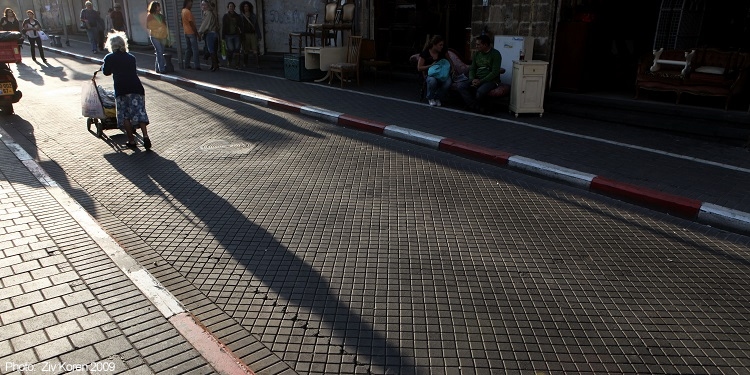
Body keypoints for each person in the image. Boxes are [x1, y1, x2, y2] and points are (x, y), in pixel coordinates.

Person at [101, 31, 152, 149]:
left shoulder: (109, 57)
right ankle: (145, 136)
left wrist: (106, 65)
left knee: (125, 116)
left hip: (121, 89)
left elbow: (106, 72)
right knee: (139, 112)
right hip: (136, 87)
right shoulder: (131, 57)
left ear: (111, 45)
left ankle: (131, 141)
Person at [457, 34, 502, 113]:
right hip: (477, 78)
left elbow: (494, 72)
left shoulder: (495, 54)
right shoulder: (477, 54)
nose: (476, 46)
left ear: (485, 45)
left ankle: (472, 106)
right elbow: (472, 68)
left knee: (480, 92)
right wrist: (472, 79)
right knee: (461, 86)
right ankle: (475, 106)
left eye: (478, 44)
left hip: (490, 80)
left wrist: (480, 81)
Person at [417, 35, 452, 107]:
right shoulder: (425, 53)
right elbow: (419, 68)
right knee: (433, 81)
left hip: (442, 73)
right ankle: (431, 98)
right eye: (440, 45)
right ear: (434, 45)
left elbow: (449, 61)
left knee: (448, 83)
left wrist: (453, 69)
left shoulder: (443, 51)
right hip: (430, 74)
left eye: (442, 45)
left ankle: (437, 97)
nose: (442, 46)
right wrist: (430, 66)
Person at [146, 1, 169, 73]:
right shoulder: (150, 16)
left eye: (159, 6)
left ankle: (157, 68)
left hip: (162, 36)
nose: (159, 7)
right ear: (154, 7)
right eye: (158, 6)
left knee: (160, 52)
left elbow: (165, 25)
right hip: (154, 36)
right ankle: (162, 69)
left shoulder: (161, 16)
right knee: (159, 51)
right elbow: (148, 26)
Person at [198, 0, 219, 71]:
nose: (203, 6)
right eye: (202, 5)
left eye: (204, 5)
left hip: (210, 33)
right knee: (212, 50)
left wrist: (200, 32)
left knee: (211, 50)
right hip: (212, 33)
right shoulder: (209, 13)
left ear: (208, 6)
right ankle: (214, 65)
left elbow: (205, 25)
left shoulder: (208, 13)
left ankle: (215, 65)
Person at [238, 1, 260, 68]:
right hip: (245, 34)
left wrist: (259, 35)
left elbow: (256, 26)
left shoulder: (253, 15)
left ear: (249, 7)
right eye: (244, 6)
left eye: (247, 6)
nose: (246, 8)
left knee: (255, 49)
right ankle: (245, 63)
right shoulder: (241, 16)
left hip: (253, 34)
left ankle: (257, 64)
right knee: (245, 50)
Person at [181, 0, 201, 69]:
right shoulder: (188, 12)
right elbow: (191, 24)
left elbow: (182, 22)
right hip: (191, 32)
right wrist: (197, 34)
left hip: (186, 32)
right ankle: (197, 65)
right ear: (187, 3)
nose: (191, 4)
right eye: (191, 3)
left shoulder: (183, 11)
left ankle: (186, 64)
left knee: (188, 49)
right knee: (195, 50)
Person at [221, 2, 241, 68]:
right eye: (230, 6)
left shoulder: (238, 16)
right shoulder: (225, 16)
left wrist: (241, 34)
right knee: (231, 49)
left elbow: (240, 26)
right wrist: (223, 37)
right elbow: (223, 27)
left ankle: (237, 64)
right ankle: (229, 61)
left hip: (236, 35)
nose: (231, 8)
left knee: (237, 49)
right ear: (228, 8)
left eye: (232, 6)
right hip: (228, 35)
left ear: (234, 8)